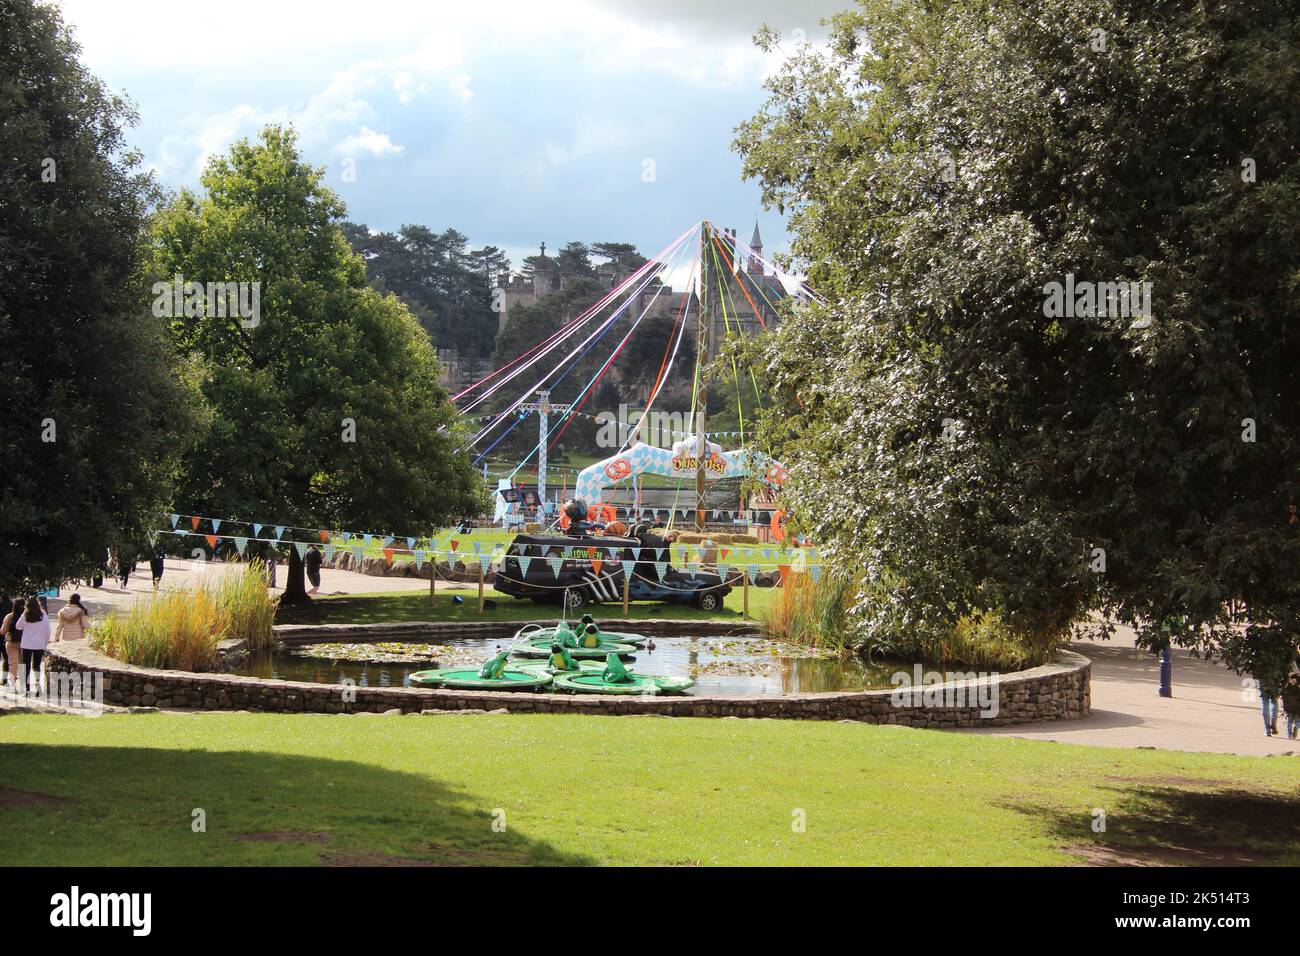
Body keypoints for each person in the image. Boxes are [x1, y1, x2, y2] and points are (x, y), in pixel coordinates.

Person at [14, 596, 51, 697]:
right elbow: (48, 631)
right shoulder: (43, 615)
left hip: (26, 644)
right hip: (38, 645)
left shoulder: (26, 615)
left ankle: (26, 689)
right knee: (36, 666)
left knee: (25, 666)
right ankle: (38, 688)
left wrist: (23, 614)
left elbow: (18, 626)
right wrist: (45, 643)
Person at [1, 598, 20, 689]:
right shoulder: (27, 616)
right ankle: (23, 683)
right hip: (23, 642)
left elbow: (3, 631)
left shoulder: (10, 616)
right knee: (22, 663)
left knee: (12, 662)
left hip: (10, 640)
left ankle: (9, 682)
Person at [1282, 673, 1300, 741]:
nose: (1293, 681)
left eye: (1295, 680)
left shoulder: (1297, 688)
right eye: (1292, 679)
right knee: (1289, 721)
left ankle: (1295, 730)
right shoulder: (1287, 687)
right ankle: (1289, 734)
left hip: (1297, 708)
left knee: (1297, 722)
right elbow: (1283, 696)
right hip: (1288, 707)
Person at [0, 595, 10, 686]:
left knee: (6, 658)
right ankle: (4, 678)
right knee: (6, 658)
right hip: (7, 636)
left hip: (3, 633)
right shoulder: (11, 605)